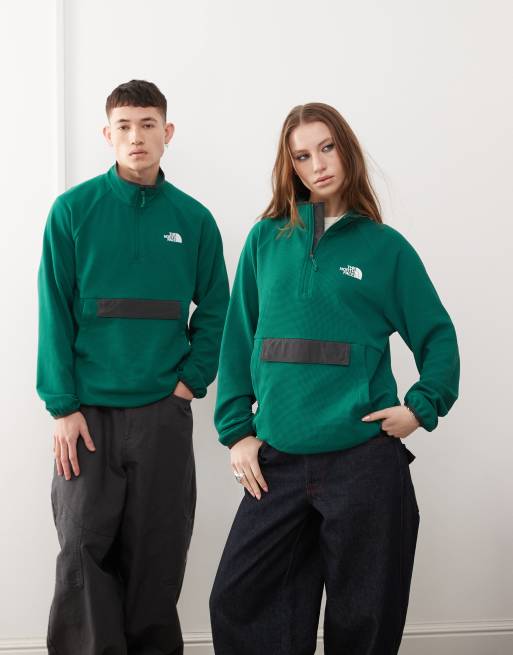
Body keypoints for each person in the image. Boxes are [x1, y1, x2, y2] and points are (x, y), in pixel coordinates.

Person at [209, 102, 460, 654]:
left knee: (364, 619)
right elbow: (238, 341)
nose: (317, 164)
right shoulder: (265, 241)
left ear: (346, 150)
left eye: (326, 148)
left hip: (363, 461)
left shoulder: (385, 248)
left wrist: (420, 407)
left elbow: (438, 337)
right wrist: (237, 432)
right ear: (290, 166)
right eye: (302, 156)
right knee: (240, 601)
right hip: (276, 461)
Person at [37, 79, 229, 655]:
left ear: (167, 133)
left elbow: (218, 310)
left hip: (162, 414)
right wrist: (62, 406)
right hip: (86, 417)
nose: (135, 136)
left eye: (147, 125)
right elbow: (53, 312)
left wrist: (189, 384)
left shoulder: (194, 220)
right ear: (107, 134)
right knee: (82, 552)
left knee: (157, 554)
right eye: (123, 126)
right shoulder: (73, 212)